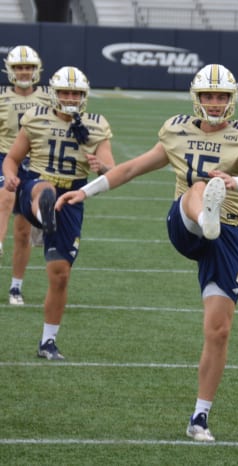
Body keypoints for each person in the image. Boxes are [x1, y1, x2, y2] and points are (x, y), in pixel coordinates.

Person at [55, 64, 238, 441]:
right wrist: (84, 191)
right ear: (196, 97)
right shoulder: (176, 129)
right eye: (208, 96)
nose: (215, 104)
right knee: (198, 188)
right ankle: (205, 214)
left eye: (221, 97)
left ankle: (199, 418)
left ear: (232, 99)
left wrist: (231, 180)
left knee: (218, 330)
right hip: (185, 224)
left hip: (228, 234)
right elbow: (132, 168)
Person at [2, 65, 115, 360]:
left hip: (73, 196)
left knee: (60, 274)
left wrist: (99, 167)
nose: (70, 97)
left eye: (75, 93)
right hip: (35, 185)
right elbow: (12, 160)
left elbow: (111, 170)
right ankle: (43, 210)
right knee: (44, 189)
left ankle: (47, 342)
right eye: (65, 91)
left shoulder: (96, 125)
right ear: (53, 92)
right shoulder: (37, 119)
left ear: (84, 95)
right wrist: (11, 178)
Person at [0, 45, 50, 305]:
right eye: (19, 67)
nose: (23, 71)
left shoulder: (48, 97)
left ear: (36, 69)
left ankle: (15, 287)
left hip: (35, 162)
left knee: (22, 232)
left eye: (28, 67)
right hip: (4, 157)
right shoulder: (1, 96)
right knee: (5, 197)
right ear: (10, 70)